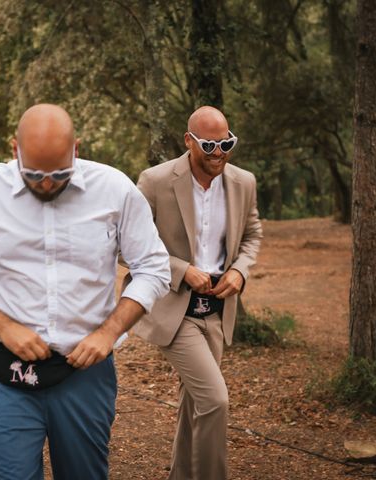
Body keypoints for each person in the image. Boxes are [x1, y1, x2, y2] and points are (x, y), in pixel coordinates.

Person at [0, 104, 171, 480]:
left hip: (86, 374)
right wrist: (5, 328)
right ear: (14, 150)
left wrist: (109, 332)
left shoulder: (114, 189)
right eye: (34, 174)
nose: (48, 184)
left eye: (60, 173)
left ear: (77, 150)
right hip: (8, 372)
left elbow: (153, 267)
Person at [131, 106, 262, 479]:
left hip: (219, 312)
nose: (219, 151)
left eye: (226, 143)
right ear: (189, 141)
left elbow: (253, 235)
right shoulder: (155, 181)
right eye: (209, 144)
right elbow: (128, 245)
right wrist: (180, 270)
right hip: (175, 311)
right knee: (214, 400)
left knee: (195, 404)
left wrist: (239, 271)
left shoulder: (244, 182)